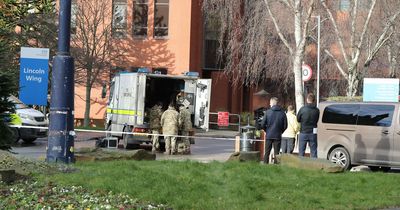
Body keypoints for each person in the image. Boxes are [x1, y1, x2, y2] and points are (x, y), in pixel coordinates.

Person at [260, 97, 287, 164]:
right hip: (278, 135)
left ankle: (265, 165)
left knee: (267, 152)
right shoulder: (282, 113)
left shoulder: (268, 112)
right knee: (276, 153)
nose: (269, 104)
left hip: (269, 134)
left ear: (272, 103)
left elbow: (262, 124)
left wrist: (266, 130)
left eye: (270, 103)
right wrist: (281, 131)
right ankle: (276, 166)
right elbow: (285, 125)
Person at [297, 93, 320, 158]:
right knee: (314, 151)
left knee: (301, 151)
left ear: (307, 100)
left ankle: (301, 165)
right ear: (314, 100)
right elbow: (317, 120)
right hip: (313, 132)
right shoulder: (317, 110)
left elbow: (298, 119)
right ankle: (314, 165)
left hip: (303, 132)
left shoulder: (303, 109)